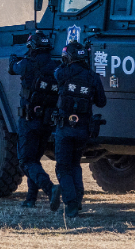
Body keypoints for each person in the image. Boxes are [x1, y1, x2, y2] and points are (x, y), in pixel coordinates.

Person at [8, 31, 61, 210]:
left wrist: (14, 60)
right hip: (46, 123)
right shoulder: (56, 67)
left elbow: (13, 68)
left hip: (29, 121)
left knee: (26, 161)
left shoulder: (27, 64)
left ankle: (50, 189)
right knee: (34, 160)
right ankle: (31, 199)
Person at [53, 40, 107, 218]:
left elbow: (56, 72)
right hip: (83, 129)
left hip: (64, 128)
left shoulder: (62, 73)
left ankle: (71, 204)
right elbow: (101, 102)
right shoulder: (92, 76)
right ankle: (78, 199)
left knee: (63, 168)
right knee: (75, 165)